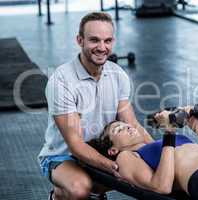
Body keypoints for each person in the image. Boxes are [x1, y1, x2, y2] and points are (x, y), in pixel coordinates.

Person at [37, 12, 153, 200]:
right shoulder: (62, 81)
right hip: (63, 156)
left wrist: (157, 151)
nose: (101, 47)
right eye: (94, 40)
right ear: (80, 40)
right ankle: (59, 195)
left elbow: (132, 125)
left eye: (107, 41)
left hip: (102, 149)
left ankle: (96, 191)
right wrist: (112, 167)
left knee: (146, 176)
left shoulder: (118, 75)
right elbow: (75, 145)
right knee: (79, 189)